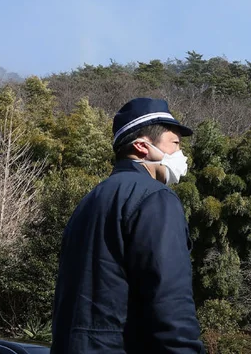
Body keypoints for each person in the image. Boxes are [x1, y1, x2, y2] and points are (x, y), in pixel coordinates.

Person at [51, 97, 204, 353]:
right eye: (175, 143)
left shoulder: (90, 201)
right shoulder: (155, 198)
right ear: (143, 146)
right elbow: (169, 298)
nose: (181, 154)